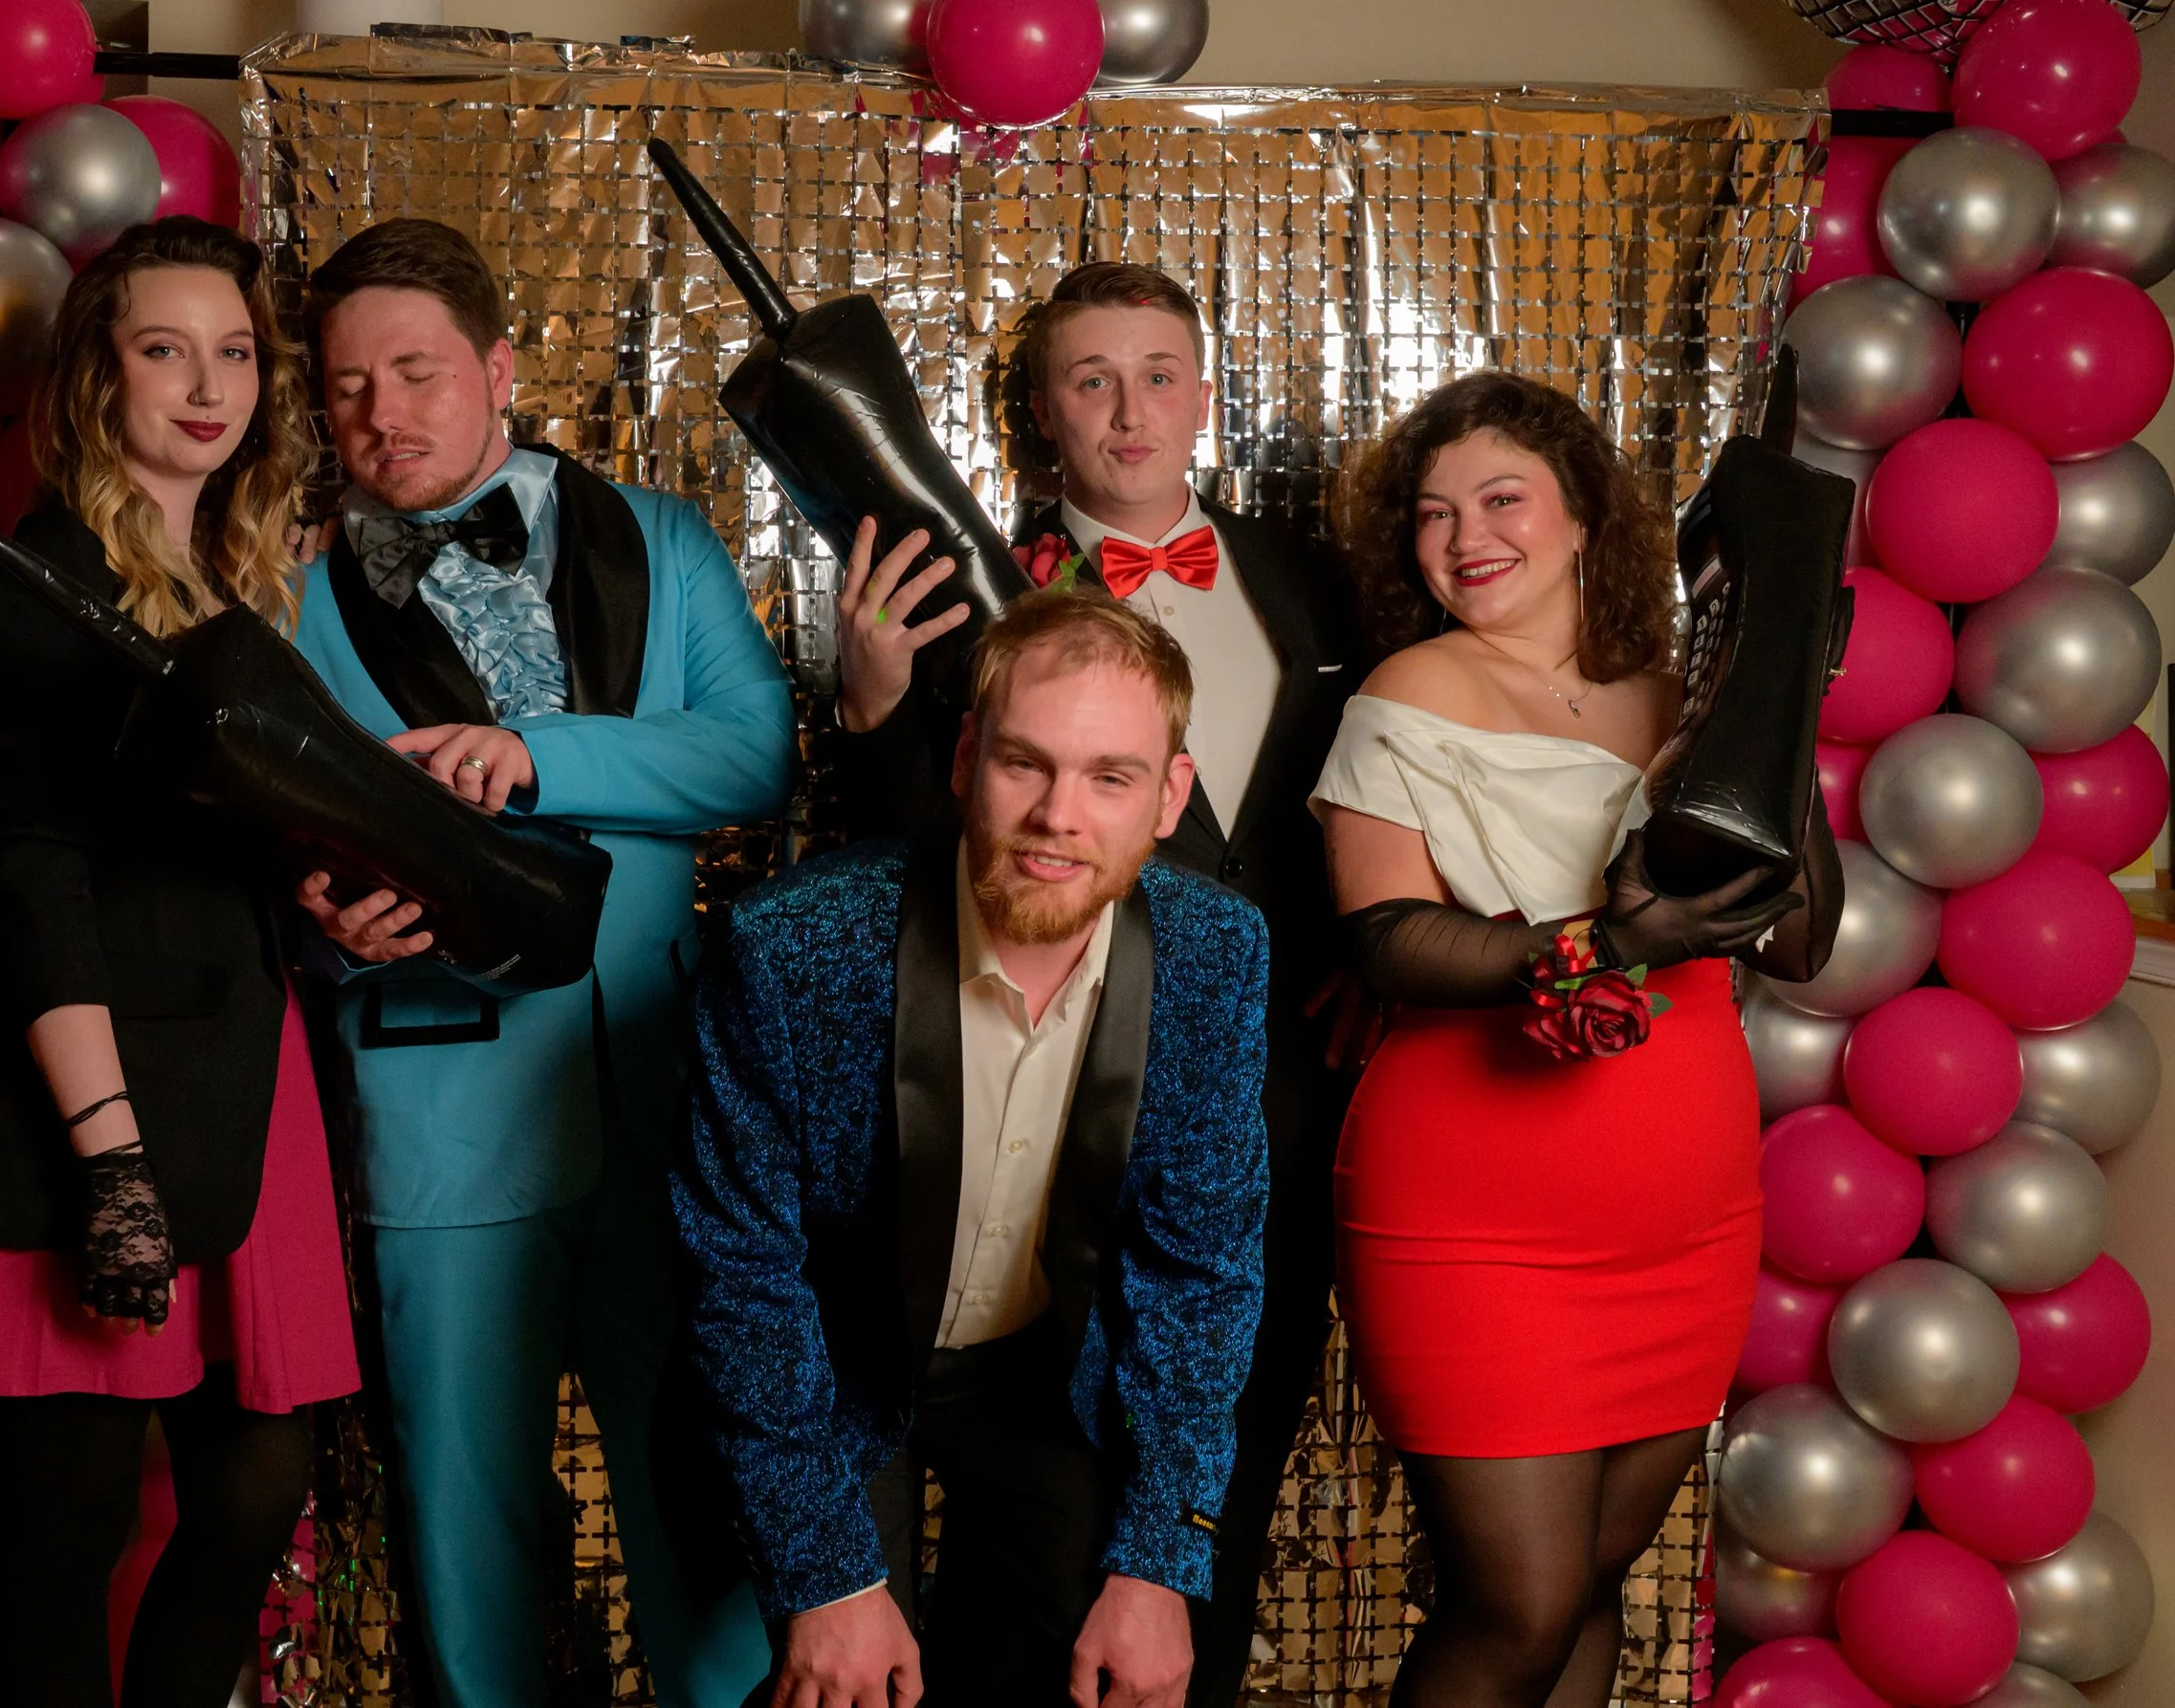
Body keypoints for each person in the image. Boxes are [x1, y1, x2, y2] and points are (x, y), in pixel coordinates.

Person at [826, 261, 1362, 1704]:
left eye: (1158, 372)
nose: (1130, 410)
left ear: (1204, 391)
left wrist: (1384, 965)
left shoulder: (1309, 579)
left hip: (1284, 1110)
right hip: (1044, 1105)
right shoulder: (958, 579)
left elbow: (1376, 809)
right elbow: (896, 862)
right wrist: (874, 704)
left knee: (1222, 1462)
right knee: (1049, 1512)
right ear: (1044, 413)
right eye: (1091, 378)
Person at [284, 218, 793, 1708]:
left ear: (500, 368)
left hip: (667, 1094)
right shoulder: (287, 593)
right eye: (348, 384)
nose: (384, 412)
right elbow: (257, 843)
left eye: (419, 371)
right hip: (439, 1108)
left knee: (702, 1510)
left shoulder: (663, 535)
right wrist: (322, 935)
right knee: (471, 1527)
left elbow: (755, 754)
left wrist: (534, 754)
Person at [1314, 372, 1840, 1708]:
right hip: (1479, 1208)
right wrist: (1608, 945)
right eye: (1433, 514)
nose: (1466, 535)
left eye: (1501, 499)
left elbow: (1798, 938)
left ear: (1583, 519)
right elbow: (1385, 941)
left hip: (1685, 1217)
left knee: (1593, 1584)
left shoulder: (1681, 695)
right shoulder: (1407, 686)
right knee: (1520, 1602)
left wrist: (1781, 705)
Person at [0, 217, 358, 1708]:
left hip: (249, 1065)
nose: (205, 386)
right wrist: (110, 1158)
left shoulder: (238, 569)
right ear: (101, 376)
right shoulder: (33, 582)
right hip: (92, 1079)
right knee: (75, 1519)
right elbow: (36, 879)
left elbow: (230, 842)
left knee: (252, 1483)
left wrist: (330, 894)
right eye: (165, 349)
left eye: (233, 352)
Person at [677, 589, 1270, 1708]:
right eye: (1023, 764)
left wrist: (1156, 1564)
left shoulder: (1216, 956)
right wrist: (826, 1575)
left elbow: (1201, 1279)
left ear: (1167, 798)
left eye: (1111, 777)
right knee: (839, 1688)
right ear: (964, 760)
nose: (1058, 815)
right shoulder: (790, 948)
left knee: (1092, 1675)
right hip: (838, 1365)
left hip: (1048, 1371)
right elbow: (741, 1278)